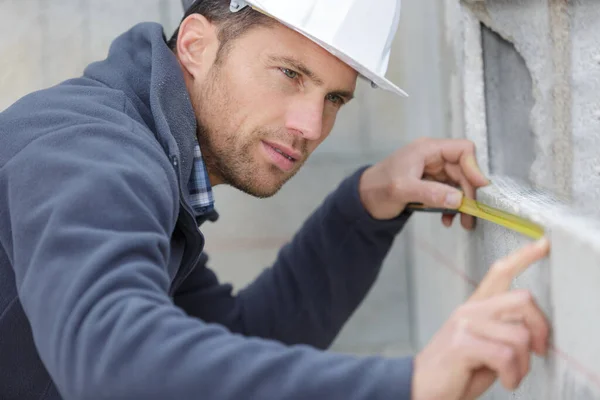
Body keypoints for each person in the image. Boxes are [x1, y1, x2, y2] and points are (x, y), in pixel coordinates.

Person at [0, 0, 551, 399]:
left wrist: (362, 207)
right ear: (196, 45)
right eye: (289, 74)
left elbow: (232, 338)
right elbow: (111, 361)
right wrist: (409, 384)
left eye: (334, 97)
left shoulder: (158, 165)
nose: (311, 125)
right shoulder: (91, 152)